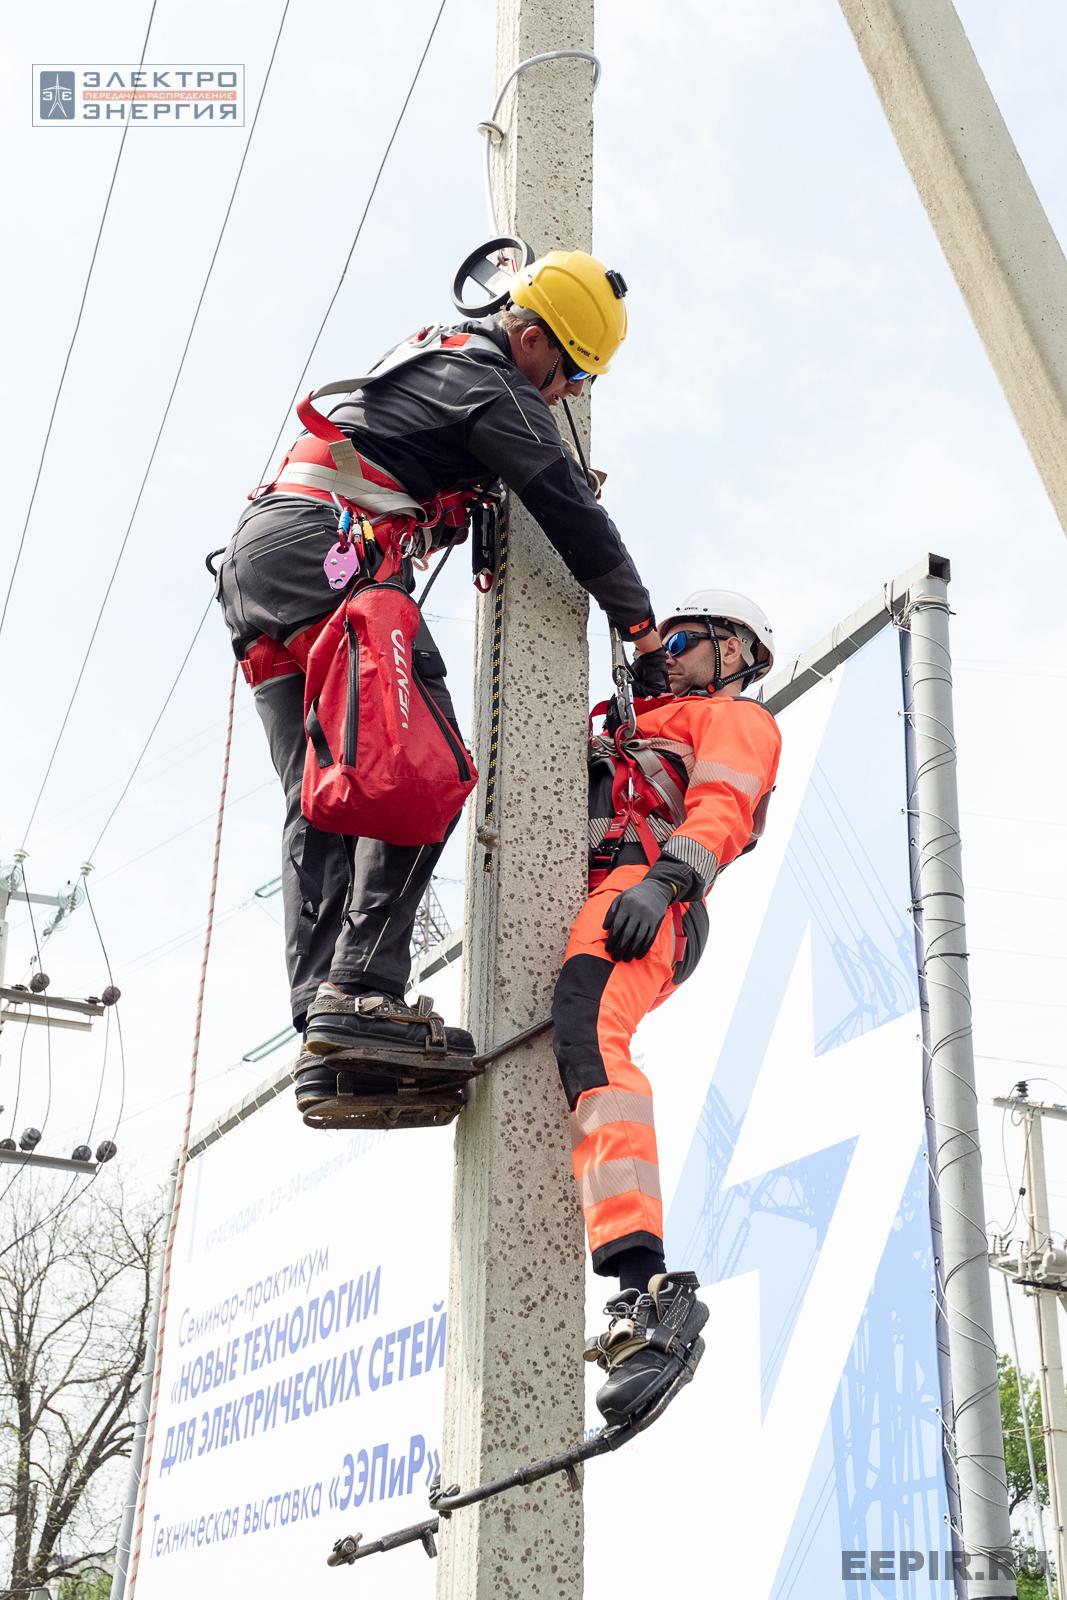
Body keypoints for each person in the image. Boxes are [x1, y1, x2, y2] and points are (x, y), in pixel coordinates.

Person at [213, 250, 665, 1117]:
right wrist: (639, 628)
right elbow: (573, 514)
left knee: (325, 792)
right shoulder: (491, 384)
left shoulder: (435, 365)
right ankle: (364, 992)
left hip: (263, 564)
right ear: (527, 337)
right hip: (322, 551)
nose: (565, 395)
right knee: (424, 765)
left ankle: (325, 1017)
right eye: (567, 373)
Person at [551, 590, 782, 1426]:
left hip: (645, 896)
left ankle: (644, 1288)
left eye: (686, 639)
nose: (668, 650)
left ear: (735, 654)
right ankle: (629, 1280)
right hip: (583, 897)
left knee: (590, 1033)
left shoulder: (733, 719)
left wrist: (666, 880)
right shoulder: (615, 720)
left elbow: (722, 810)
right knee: (569, 1054)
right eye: (665, 639)